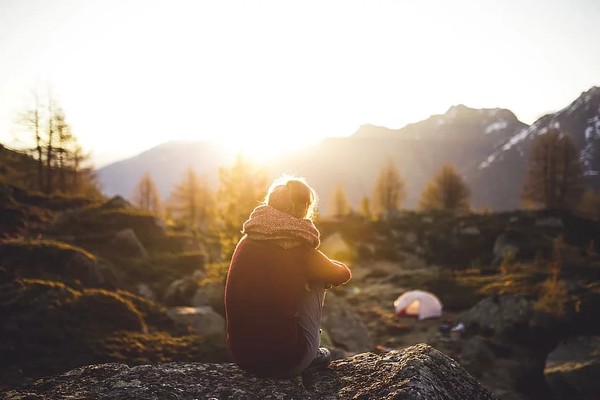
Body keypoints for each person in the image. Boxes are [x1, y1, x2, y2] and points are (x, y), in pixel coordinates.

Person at [224, 176, 352, 378]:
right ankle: (310, 349)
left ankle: (295, 338)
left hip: (244, 359)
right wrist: (318, 267)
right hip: (287, 363)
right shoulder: (300, 248)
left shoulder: (247, 240)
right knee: (318, 278)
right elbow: (342, 274)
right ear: (303, 209)